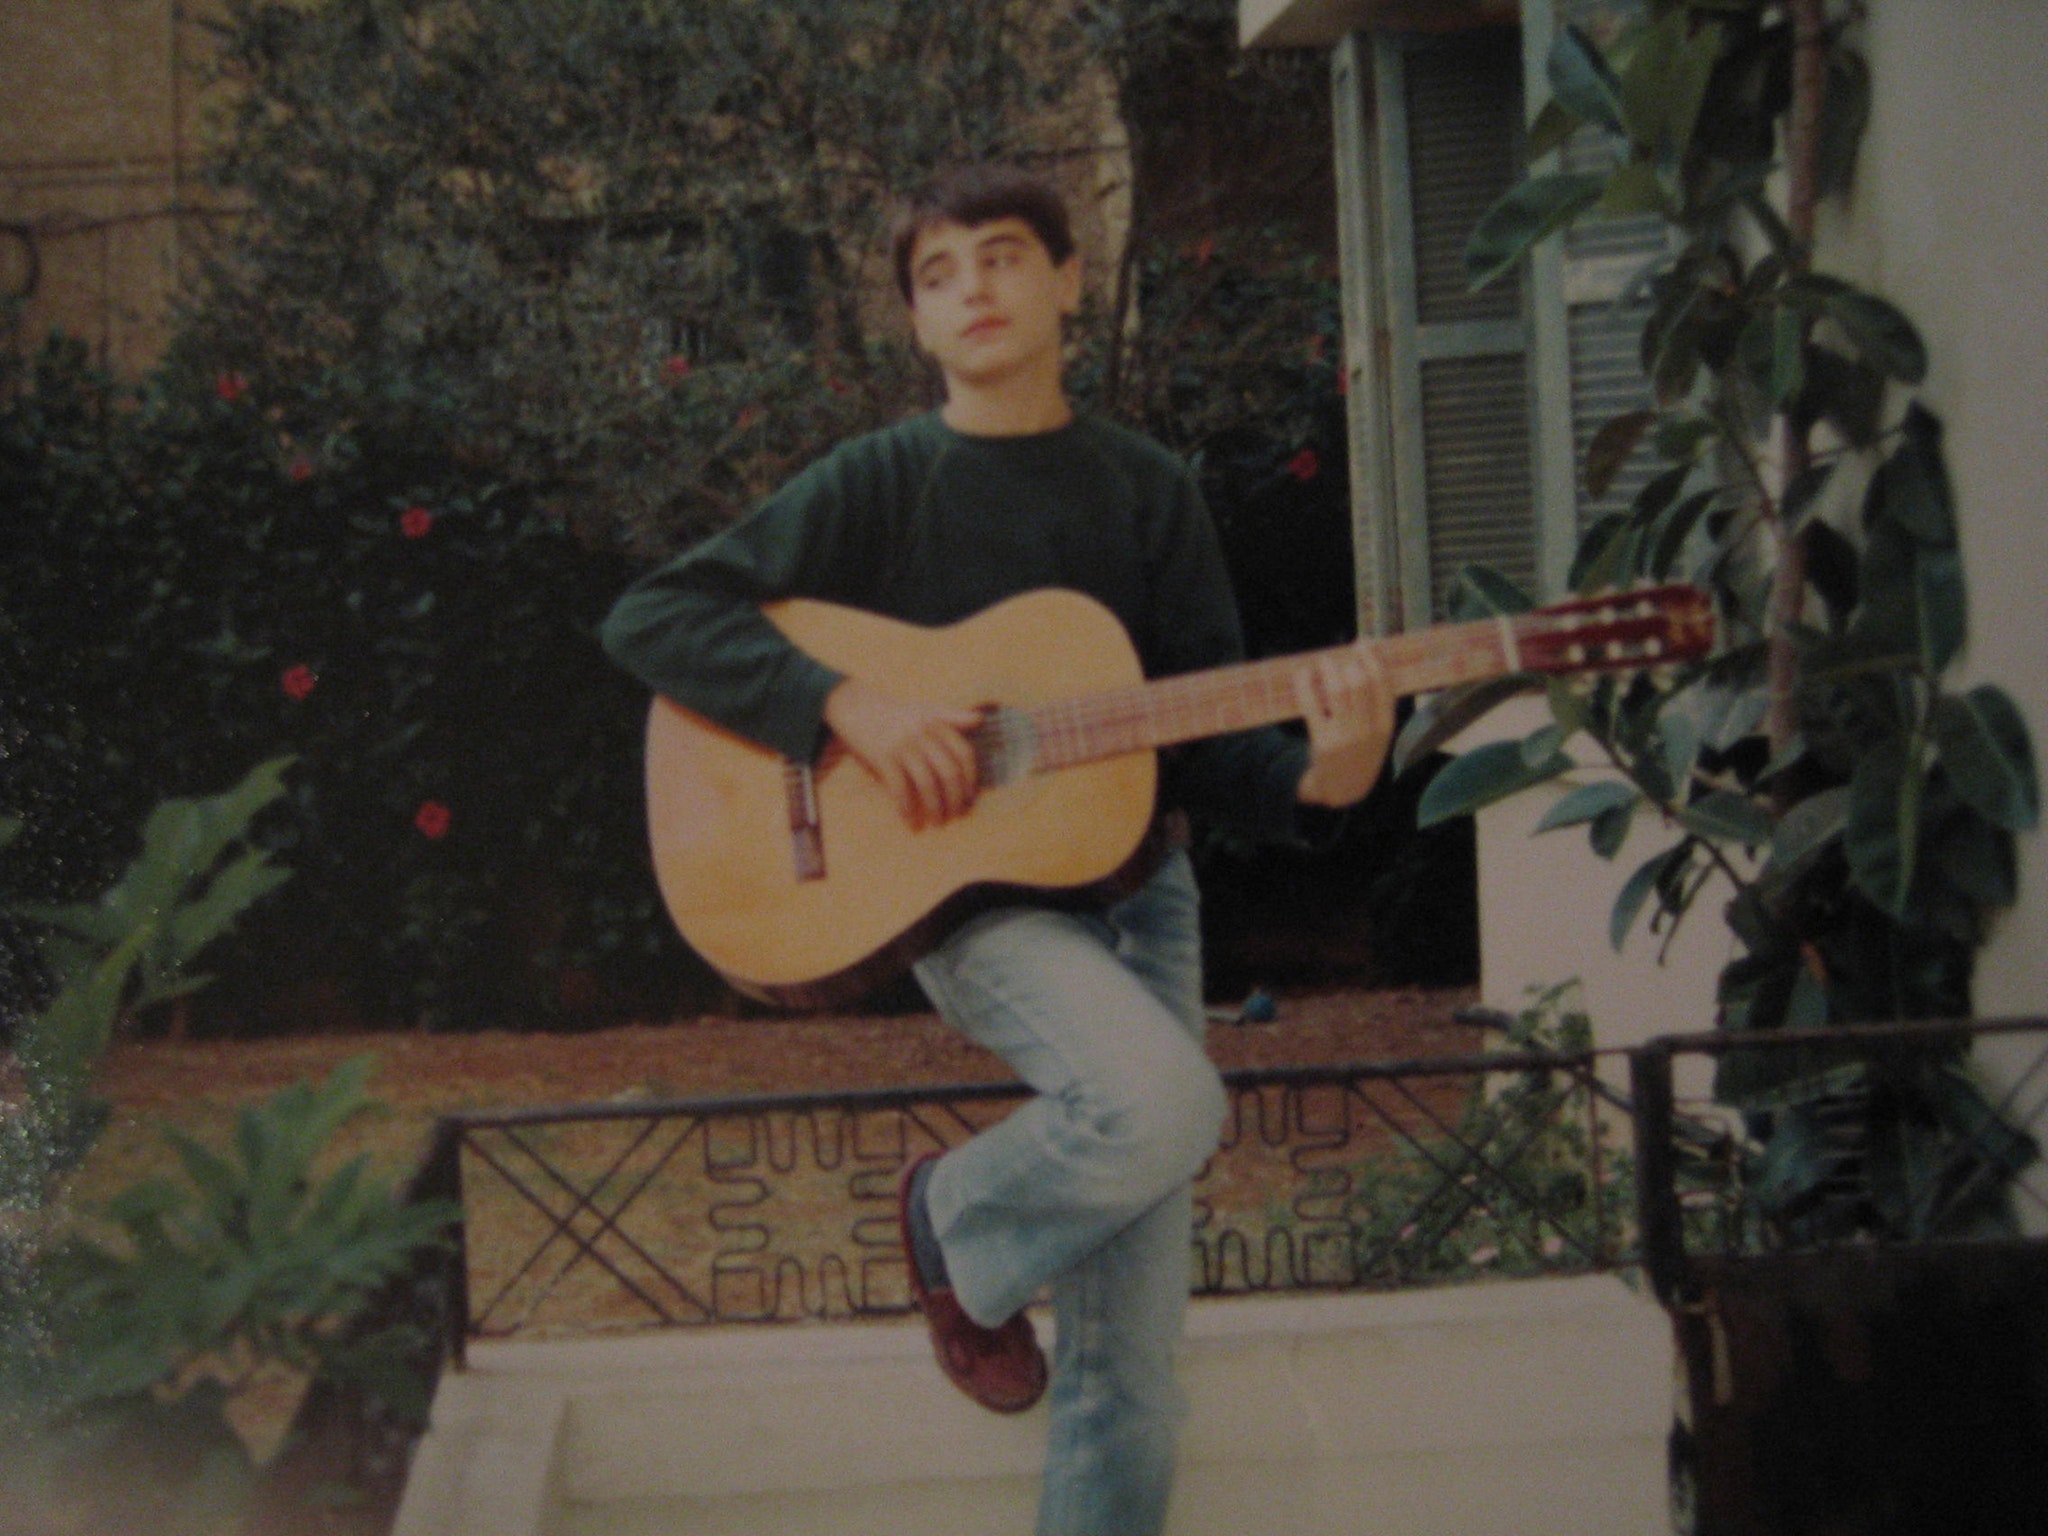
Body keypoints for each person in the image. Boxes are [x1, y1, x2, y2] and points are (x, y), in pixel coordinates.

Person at [600, 162, 1393, 1536]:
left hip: (1147, 898)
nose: (977, 289)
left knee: (1134, 1377)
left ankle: (968, 1250)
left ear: (1072, 281)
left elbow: (1202, 735)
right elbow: (658, 617)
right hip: (975, 911)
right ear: (915, 319)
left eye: (1008, 256)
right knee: (1166, 1103)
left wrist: (1333, 771)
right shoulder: (883, 483)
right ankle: (953, 1222)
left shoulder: (1148, 490)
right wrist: (842, 704)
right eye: (942, 272)